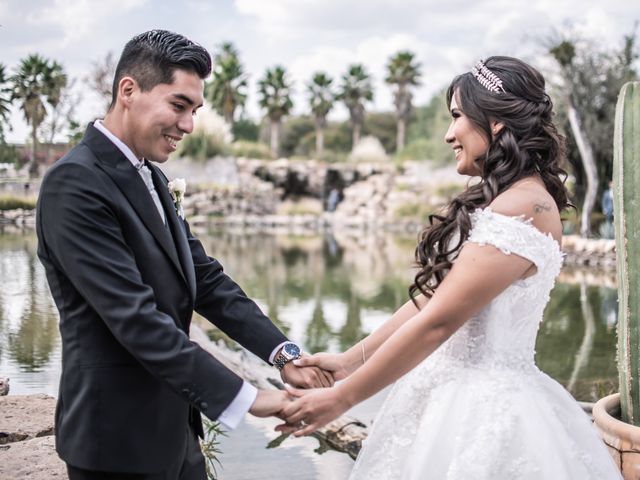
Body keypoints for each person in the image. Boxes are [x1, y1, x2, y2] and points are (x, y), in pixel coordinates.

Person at [280, 56, 623, 479]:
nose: (448, 134)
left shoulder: (524, 206)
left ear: (496, 122)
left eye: (457, 116)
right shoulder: (505, 200)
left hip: (484, 413)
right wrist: (350, 361)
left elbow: (440, 322)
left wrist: (343, 399)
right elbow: (432, 300)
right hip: (447, 396)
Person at [36, 30, 331, 480]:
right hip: (115, 444)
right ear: (128, 91)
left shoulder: (150, 178)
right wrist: (247, 397)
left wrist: (283, 354)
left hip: (176, 430)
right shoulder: (74, 183)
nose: (189, 125)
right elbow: (134, 318)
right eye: (178, 106)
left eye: (194, 111)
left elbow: (206, 280)